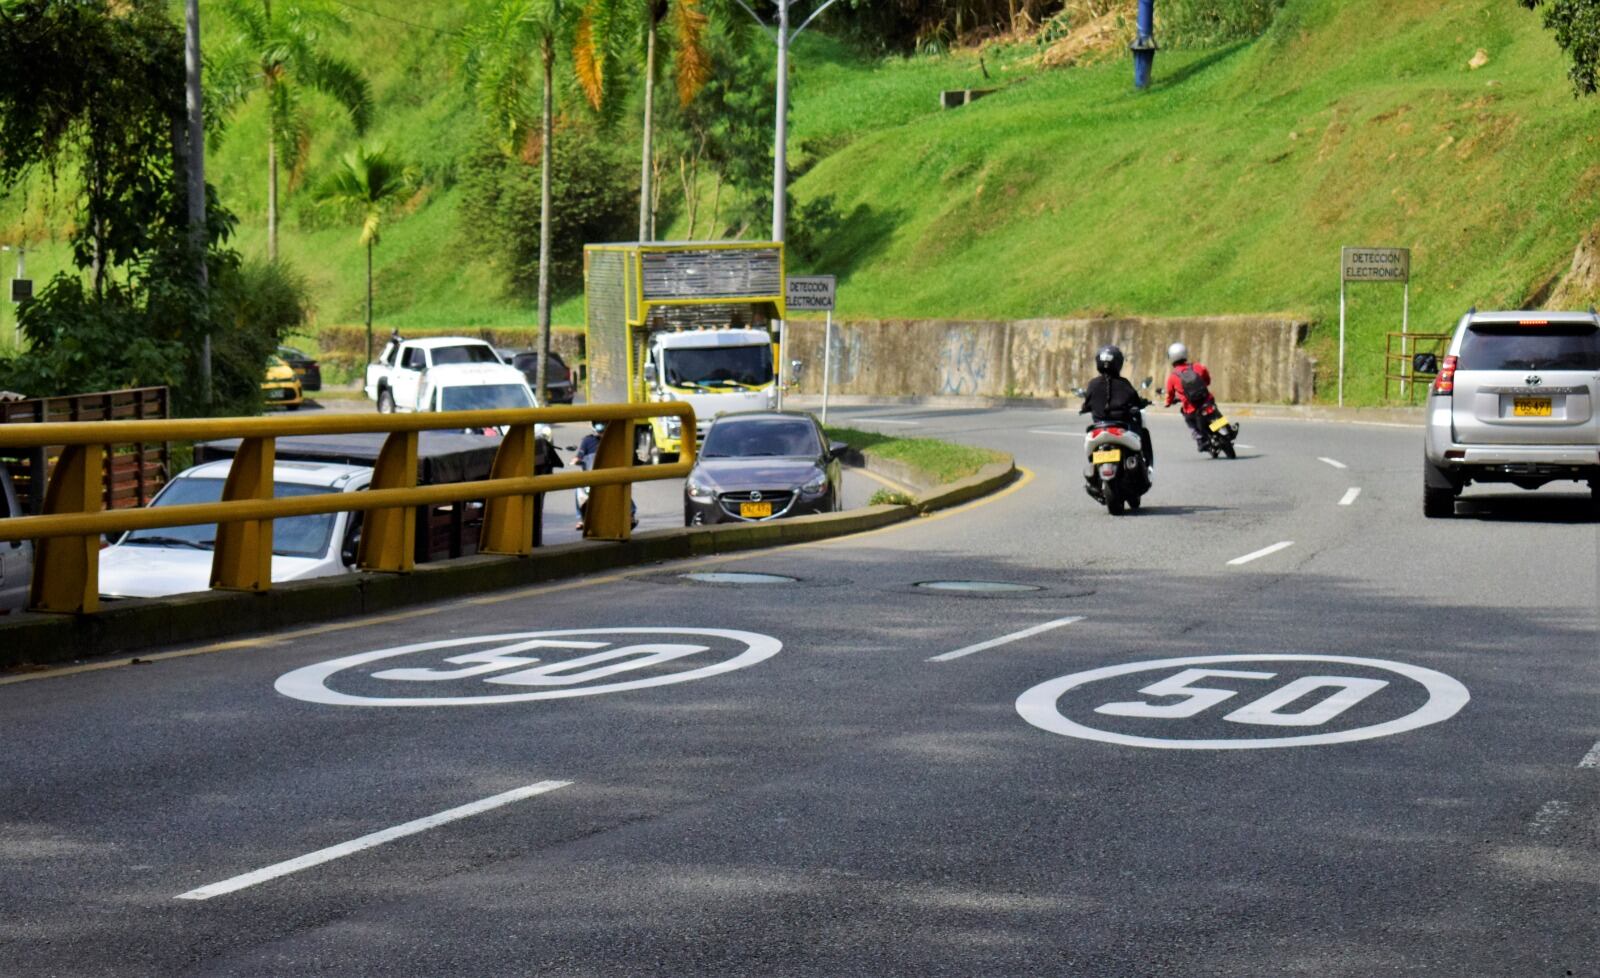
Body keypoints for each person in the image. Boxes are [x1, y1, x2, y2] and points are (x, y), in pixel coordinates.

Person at [1079, 345, 1153, 469]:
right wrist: (1143, 403)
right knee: (1142, 433)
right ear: (1119, 363)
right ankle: (1147, 464)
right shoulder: (1124, 384)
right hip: (1121, 428)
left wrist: (1085, 408)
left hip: (1099, 429)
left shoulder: (1093, 384)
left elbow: (1087, 404)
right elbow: (1136, 401)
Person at [1163, 342, 1216, 452]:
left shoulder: (1173, 377)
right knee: (1214, 408)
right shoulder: (1197, 367)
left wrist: (1167, 403)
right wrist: (1206, 383)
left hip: (1191, 408)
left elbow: (1170, 395)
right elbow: (1207, 378)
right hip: (1207, 400)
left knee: (1188, 418)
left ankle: (1200, 438)